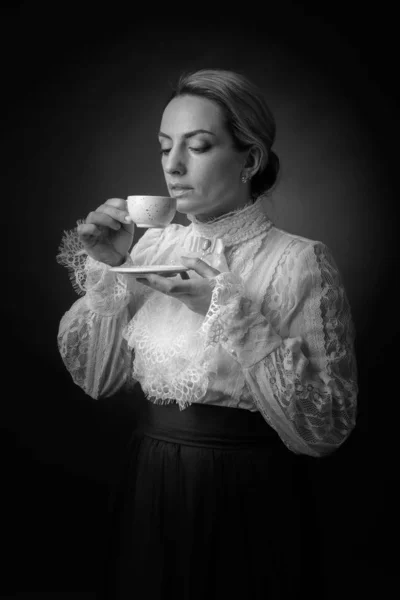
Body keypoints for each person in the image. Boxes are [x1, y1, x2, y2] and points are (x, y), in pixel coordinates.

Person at [57, 69, 358, 599]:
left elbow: (324, 428)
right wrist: (110, 269)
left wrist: (232, 312)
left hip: (249, 493)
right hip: (151, 480)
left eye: (197, 146)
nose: (173, 166)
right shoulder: (147, 253)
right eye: (164, 147)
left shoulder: (297, 262)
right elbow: (98, 380)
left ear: (250, 159)